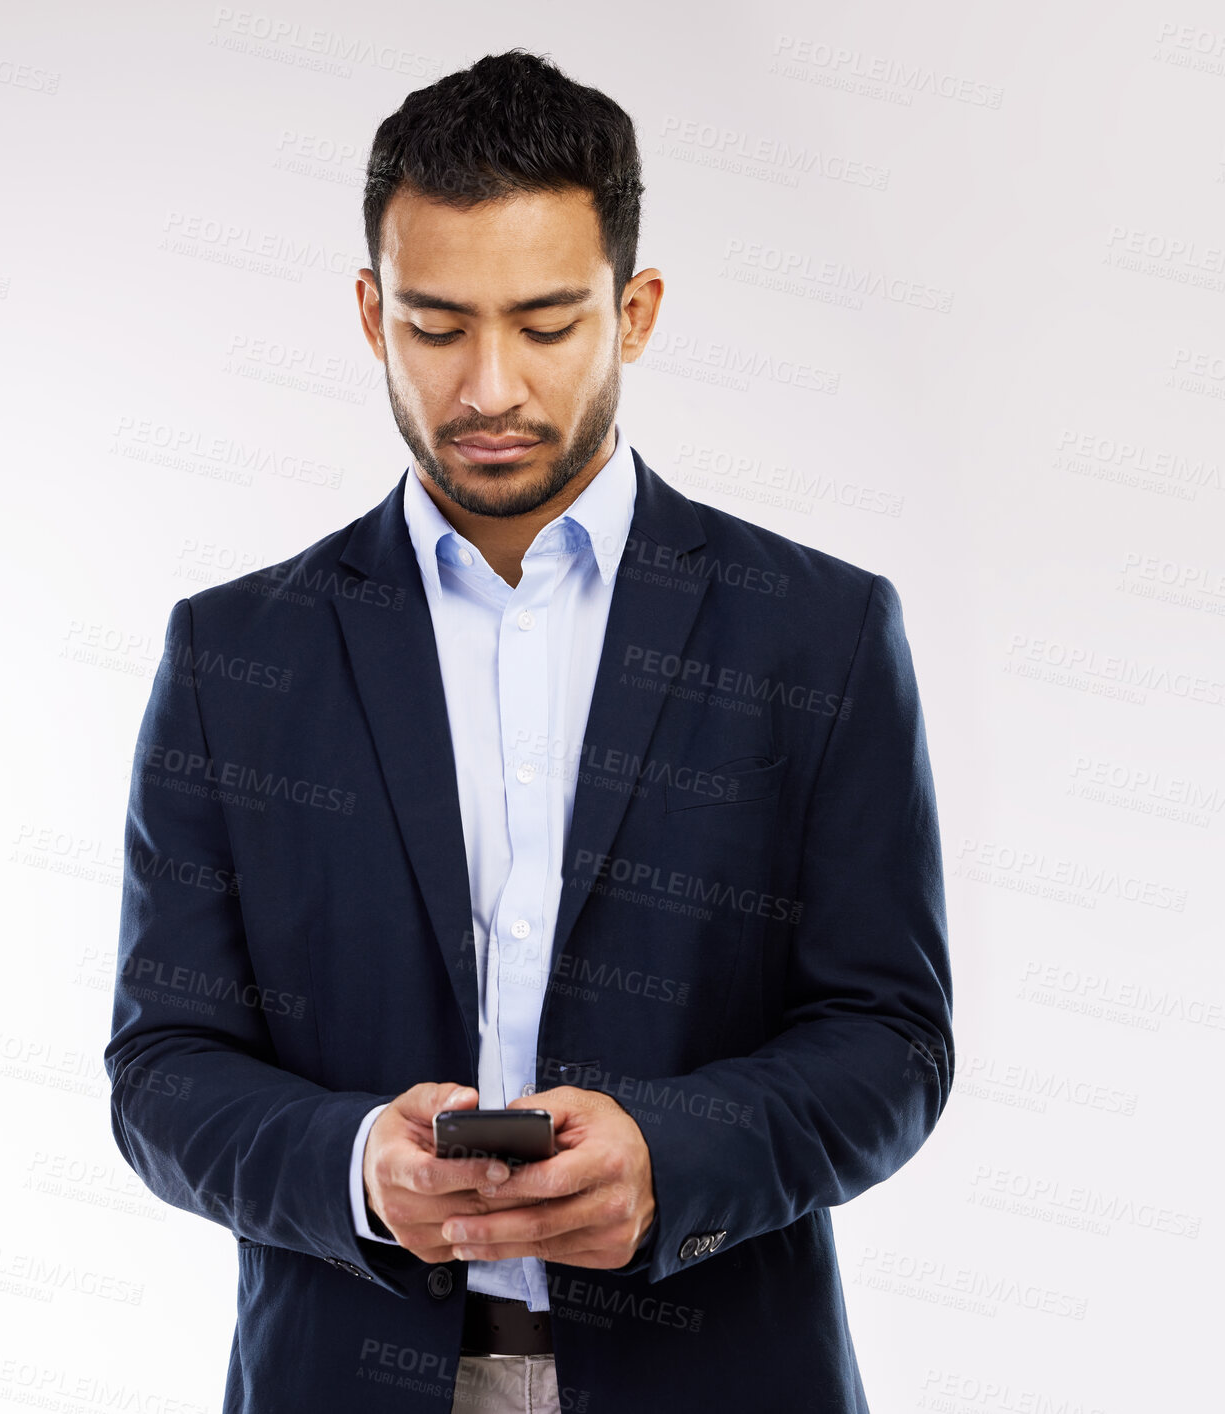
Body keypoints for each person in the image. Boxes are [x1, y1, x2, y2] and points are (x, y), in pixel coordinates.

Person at [104, 48, 954, 1414]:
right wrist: (354, 1163)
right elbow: (160, 1066)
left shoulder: (820, 631)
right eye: (436, 326)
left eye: (546, 324)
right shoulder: (233, 653)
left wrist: (669, 1158)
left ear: (636, 309)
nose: (488, 385)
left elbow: (890, 1038)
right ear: (372, 313)